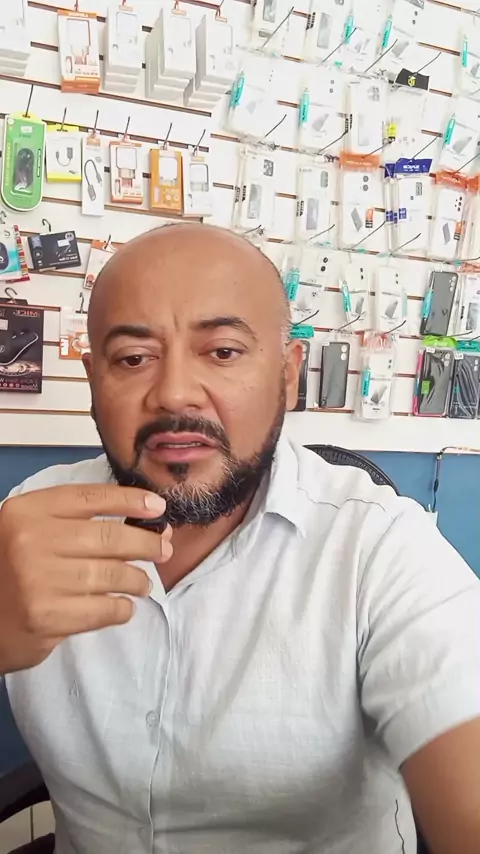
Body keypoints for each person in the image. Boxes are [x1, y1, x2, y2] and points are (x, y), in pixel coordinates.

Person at [0, 224, 479, 854]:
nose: (174, 393)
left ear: (288, 375)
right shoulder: (28, 528)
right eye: (133, 359)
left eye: (222, 352)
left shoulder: (379, 548)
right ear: (93, 380)